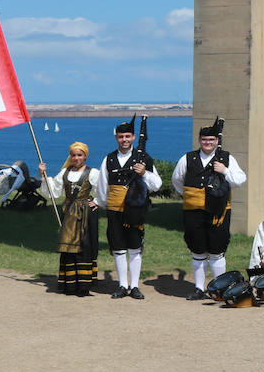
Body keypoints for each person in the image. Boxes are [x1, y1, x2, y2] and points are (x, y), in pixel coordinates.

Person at [172, 122, 247, 300]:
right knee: (197, 251)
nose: (208, 142)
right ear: (199, 140)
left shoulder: (226, 158)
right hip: (193, 212)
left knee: (216, 250)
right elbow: (177, 180)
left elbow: (240, 179)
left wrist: (225, 171)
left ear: (217, 140)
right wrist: (191, 196)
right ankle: (199, 288)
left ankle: (219, 287)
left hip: (218, 212)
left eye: (211, 139)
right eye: (204, 139)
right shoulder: (187, 158)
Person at [94, 117, 162, 300]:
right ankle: (122, 285)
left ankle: (134, 286)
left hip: (135, 211)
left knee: (134, 248)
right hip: (115, 210)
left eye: (127, 136)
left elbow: (157, 184)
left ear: (133, 137)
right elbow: (102, 185)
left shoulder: (144, 158)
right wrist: (99, 202)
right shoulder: (108, 159)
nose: (124, 140)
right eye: (120, 136)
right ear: (116, 138)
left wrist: (144, 173)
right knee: (118, 248)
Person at [38, 142, 101, 296]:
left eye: (79, 155)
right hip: (68, 215)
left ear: (85, 156)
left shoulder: (93, 173)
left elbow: (104, 189)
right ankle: (70, 284)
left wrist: (97, 202)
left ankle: (84, 285)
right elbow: (53, 193)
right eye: (73, 155)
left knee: (84, 246)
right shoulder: (64, 173)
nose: (76, 158)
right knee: (68, 248)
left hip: (85, 215)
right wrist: (43, 176)